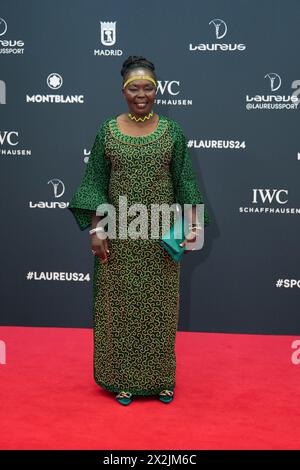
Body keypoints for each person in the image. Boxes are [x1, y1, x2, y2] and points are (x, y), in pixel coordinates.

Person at [68, 55, 211, 406]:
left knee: (160, 308)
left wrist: (192, 225)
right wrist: (96, 231)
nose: (142, 94)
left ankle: (162, 379)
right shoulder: (108, 131)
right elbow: (94, 184)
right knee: (121, 308)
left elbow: (186, 182)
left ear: (157, 90)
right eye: (135, 88)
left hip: (161, 237)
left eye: (148, 87)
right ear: (123, 90)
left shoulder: (172, 132)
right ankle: (123, 379)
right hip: (119, 237)